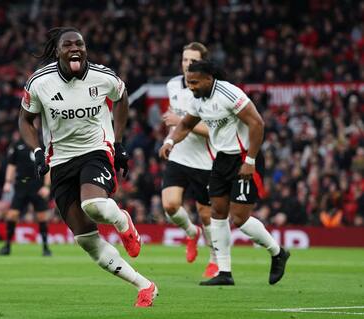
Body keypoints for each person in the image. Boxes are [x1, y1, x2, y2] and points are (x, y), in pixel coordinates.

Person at [18, 27, 157, 307]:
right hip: (59, 161)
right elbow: (25, 119)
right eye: (68, 45)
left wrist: (117, 143)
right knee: (87, 241)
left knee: (93, 205)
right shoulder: (39, 82)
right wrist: (36, 151)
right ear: (57, 51)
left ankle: (123, 222)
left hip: (95, 150)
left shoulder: (103, 76)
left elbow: (122, 98)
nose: (75, 48)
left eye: (79, 44)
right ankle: (145, 286)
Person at [159, 60, 290, 286]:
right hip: (222, 159)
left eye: (195, 82)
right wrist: (170, 140)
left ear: (209, 78)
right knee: (217, 212)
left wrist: (249, 161)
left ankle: (277, 252)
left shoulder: (229, 94)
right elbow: (186, 125)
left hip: (244, 157)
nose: (191, 86)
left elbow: (257, 124)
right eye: (188, 82)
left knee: (239, 218)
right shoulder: (198, 100)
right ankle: (224, 272)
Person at [162, 42, 220, 278]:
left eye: (193, 61)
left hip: (204, 161)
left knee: (206, 214)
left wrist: (180, 121)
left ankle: (215, 259)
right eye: (185, 60)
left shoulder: (211, 90)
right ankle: (190, 232)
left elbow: (212, 131)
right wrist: (169, 139)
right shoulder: (173, 85)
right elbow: (172, 116)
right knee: (170, 205)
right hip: (178, 155)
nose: (188, 65)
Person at [0, 132, 52, 256]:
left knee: (42, 217)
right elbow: (11, 165)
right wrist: (7, 182)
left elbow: (48, 166)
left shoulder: (42, 146)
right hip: (21, 185)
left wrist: (47, 186)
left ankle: (46, 248)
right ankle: (7, 246)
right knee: (12, 215)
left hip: (37, 185)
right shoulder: (17, 145)